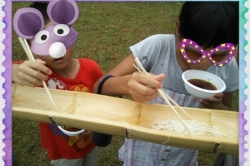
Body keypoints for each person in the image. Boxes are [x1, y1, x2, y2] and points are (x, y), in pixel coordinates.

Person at [94, 2, 239, 166]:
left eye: (220, 54)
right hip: (142, 149)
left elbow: (227, 112)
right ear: (178, 28)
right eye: (193, 50)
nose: (204, 63)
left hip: (183, 155)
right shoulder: (157, 48)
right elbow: (100, 86)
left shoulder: (228, 67)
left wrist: (216, 107)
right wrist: (127, 84)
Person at [12, 2, 103, 166]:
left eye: (59, 36)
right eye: (43, 40)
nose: (55, 49)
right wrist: (10, 71)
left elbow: (102, 99)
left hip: (90, 143)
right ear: (32, 49)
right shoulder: (34, 75)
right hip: (62, 153)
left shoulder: (91, 68)